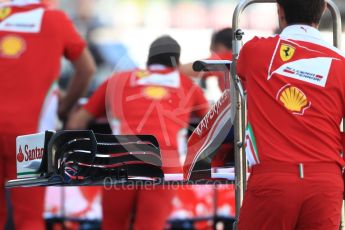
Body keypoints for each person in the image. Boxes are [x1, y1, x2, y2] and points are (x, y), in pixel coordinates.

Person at [66, 35, 209, 230]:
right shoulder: (187, 85)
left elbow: (75, 124)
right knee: (150, 226)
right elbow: (214, 124)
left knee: (112, 225)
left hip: (120, 162)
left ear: (148, 60)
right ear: (178, 62)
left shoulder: (117, 80)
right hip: (165, 166)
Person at [237, 0, 345, 229]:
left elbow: (238, 74)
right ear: (324, 9)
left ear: (279, 10)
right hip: (326, 182)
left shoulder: (255, 51)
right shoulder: (342, 64)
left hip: (274, 181)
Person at [0, 0, 96, 229]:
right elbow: (87, 69)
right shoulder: (54, 19)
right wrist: (65, 108)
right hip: (30, 138)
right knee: (29, 218)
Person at [180, 27, 233, 92]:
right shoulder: (238, 57)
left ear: (219, 46)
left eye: (212, 50)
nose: (212, 54)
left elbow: (187, 69)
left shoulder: (224, 59)